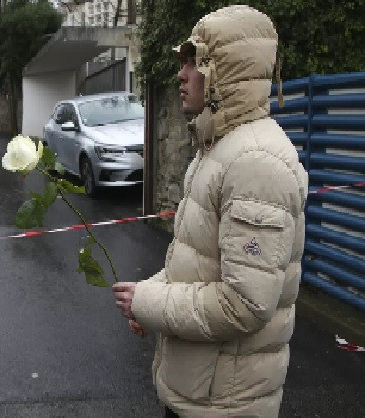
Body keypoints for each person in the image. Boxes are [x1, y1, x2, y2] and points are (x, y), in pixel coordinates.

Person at [112, 5, 308, 417]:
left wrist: (149, 302)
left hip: (224, 405)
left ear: (228, 72)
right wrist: (148, 295)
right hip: (201, 394)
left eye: (195, 63)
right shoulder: (218, 147)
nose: (181, 75)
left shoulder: (256, 162)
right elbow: (199, 264)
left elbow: (244, 305)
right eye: (183, 63)